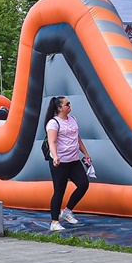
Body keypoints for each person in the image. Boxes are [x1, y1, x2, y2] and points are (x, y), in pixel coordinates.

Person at [45, 95, 90, 232]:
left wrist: (86, 153)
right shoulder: (54, 123)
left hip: (74, 160)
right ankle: (54, 222)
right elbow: (52, 141)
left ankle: (67, 211)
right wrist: (56, 156)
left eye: (69, 104)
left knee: (83, 184)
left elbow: (77, 138)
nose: (69, 106)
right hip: (60, 162)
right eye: (67, 104)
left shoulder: (73, 119)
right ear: (59, 108)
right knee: (59, 191)